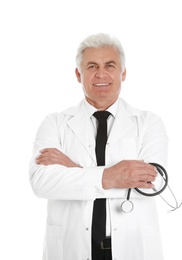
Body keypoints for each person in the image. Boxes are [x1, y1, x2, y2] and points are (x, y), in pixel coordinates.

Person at [29, 33, 168, 260]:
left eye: (109, 65)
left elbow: (153, 184)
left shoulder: (148, 123)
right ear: (78, 74)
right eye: (92, 66)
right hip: (70, 247)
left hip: (132, 247)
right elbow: (42, 183)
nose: (101, 74)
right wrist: (115, 175)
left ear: (123, 73)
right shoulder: (54, 123)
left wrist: (74, 168)